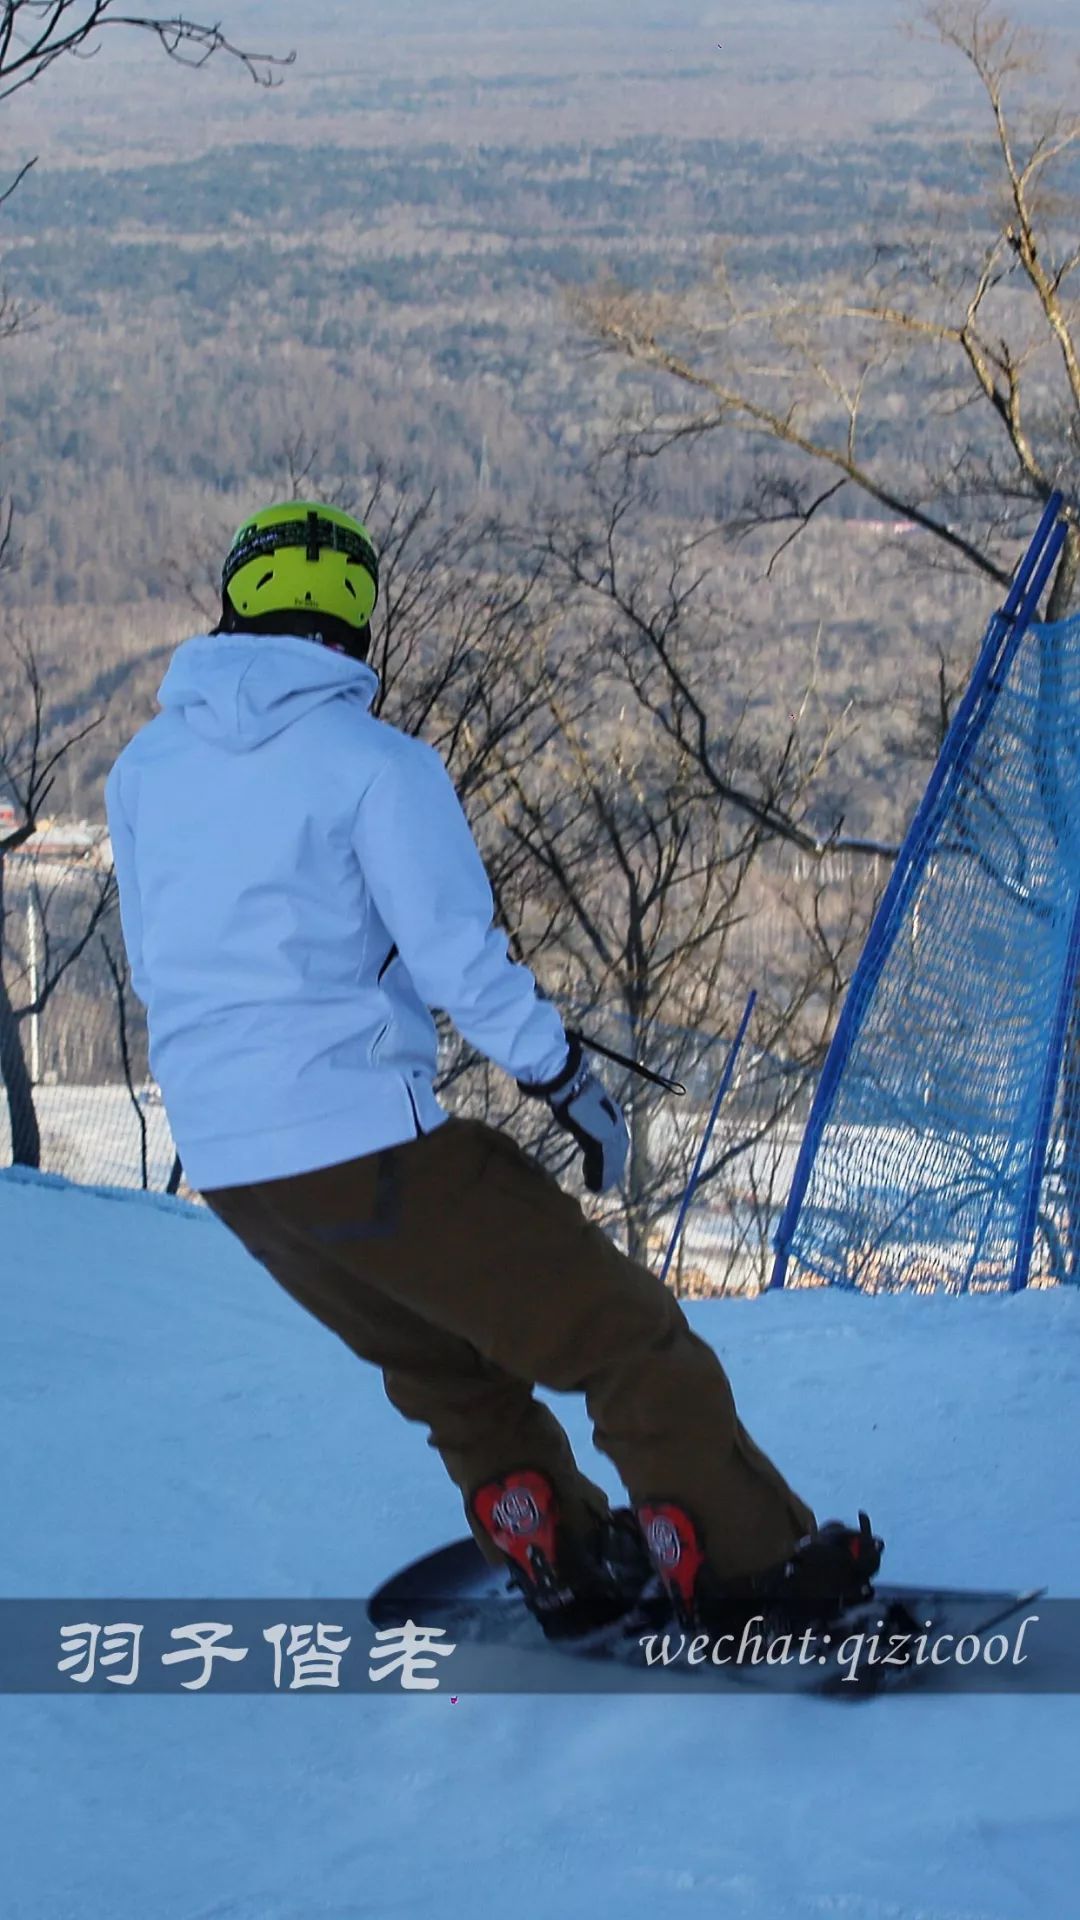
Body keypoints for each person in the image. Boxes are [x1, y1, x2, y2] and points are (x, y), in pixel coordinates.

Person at [105, 501, 881, 1640]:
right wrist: (565, 1079)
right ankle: (745, 1565)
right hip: (361, 1141)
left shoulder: (144, 768)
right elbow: (461, 962)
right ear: (361, 621)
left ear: (233, 605)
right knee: (621, 1334)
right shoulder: (375, 763)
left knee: (446, 1369)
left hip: (230, 1165)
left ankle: (557, 1549)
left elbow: (156, 961)